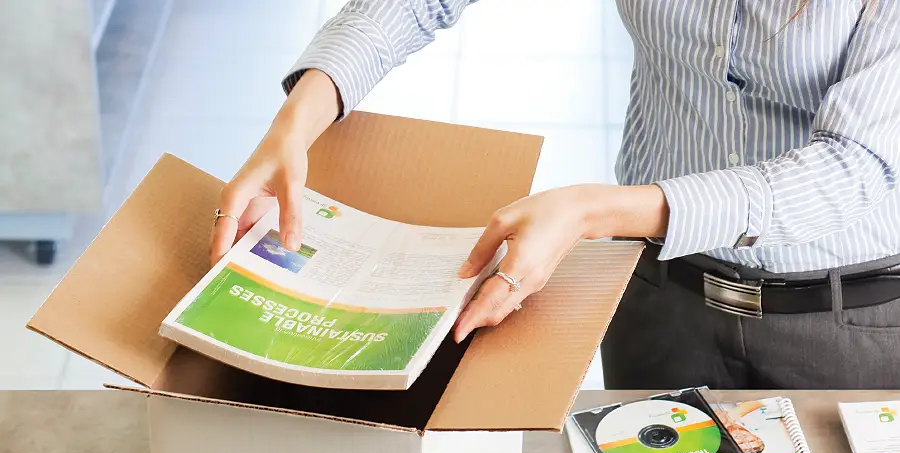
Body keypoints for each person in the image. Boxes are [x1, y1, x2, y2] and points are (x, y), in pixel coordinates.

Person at [210, 1, 900, 390]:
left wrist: (593, 211)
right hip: (660, 295)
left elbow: (857, 169)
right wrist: (302, 114)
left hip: (847, 320)